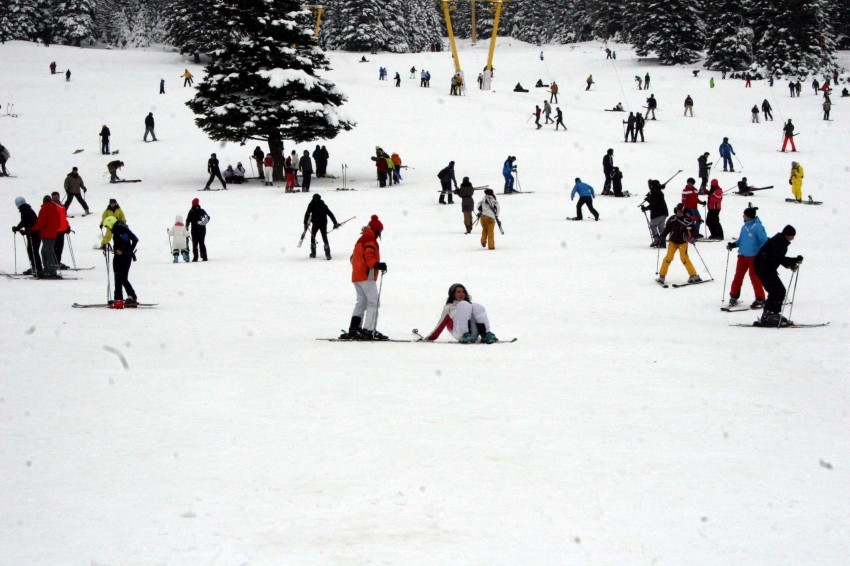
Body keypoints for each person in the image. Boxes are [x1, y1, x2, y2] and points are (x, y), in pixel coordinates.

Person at [340, 215, 388, 341]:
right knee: (374, 302)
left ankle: (354, 328)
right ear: (376, 230)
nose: (380, 234)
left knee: (361, 302)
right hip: (367, 276)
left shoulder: (361, 239)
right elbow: (369, 256)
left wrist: (360, 268)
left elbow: (352, 258)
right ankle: (369, 330)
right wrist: (377, 265)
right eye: (380, 231)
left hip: (357, 276)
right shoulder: (369, 240)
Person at [754, 225, 802, 326]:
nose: (792, 238)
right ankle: (768, 315)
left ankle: (773, 313)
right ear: (787, 234)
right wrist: (793, 261)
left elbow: (779, 258)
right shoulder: (779, 241)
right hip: (763, 267)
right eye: (792, 235)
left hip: (767, 267)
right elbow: (779, 258)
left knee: (779, 290)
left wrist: (792, 263)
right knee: (775, 291)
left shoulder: (781, 241)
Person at [423, 283, 499, 344]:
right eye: (458, 292)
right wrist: (430, 338)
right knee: (464, 305)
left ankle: (485, 334)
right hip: (458, 333)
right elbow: (440, 325)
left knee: (476, 306)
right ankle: (464, 335)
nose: (461, 294)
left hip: (473, 334)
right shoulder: (449, 307)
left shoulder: (470, 306)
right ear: (453, 294)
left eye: (463, 292)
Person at [726, 206, 767, 308]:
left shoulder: (758, 227)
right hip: (742, 256)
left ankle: (760, 299)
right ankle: (734, 296)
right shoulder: (744, 227)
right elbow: (741, 241)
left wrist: (763, 253)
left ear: (748, 216)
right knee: (738, 276)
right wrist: (733, 245)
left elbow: (764, 241)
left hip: (754, 257)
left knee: (754, 278)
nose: (743, 216)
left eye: (744, 214)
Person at [656, 203, 701, 285]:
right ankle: (662, 276)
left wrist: (693, 237)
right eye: (677, 211)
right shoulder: (672, 219)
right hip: (672, 242)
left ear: (683, 211)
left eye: (681, 211)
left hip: (683, 243)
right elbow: (666, 230)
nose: (679, 213)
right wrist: (661, 237)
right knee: (668, 257)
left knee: (684, 258)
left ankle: (693, 275)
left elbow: (694, 231)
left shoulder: (688, 220)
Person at [102, 215, 139, 308]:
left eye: (107, 226)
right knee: (122, 277)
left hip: (121, 257)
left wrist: (121, 250)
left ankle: (119, 299)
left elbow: (124, 239)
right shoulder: (124, 228)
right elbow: (135, 239)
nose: (108, 229)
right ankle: (130, 297)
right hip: (127, 257)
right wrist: (130, 250)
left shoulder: (118, 229)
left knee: (119, 277)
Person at [30, 195, 62, 278]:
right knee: (45, 251)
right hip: (53, 234)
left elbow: (41, 223)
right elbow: (58, 222)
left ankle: (51, 271)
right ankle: (48, 269)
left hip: (46, 234)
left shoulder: (44, 209)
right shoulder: (55, 208)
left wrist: (33, 229)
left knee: (47, 252)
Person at [12, 196, 43, 276]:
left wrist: (24, 231)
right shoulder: (26, 210)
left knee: (33, 251)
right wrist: (18, 228)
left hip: (34, 234)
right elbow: (25, 222)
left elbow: (28, 222)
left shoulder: (25, 210)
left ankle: (38, 268)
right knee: (32, 250)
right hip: (33, 233)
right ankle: (35, 267)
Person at [304, 194, 339, 260]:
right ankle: (328, 254)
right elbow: (330, 214)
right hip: (323, 223)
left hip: (316, 223)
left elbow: (307, 213)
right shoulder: (323, 205)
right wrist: (335, 223)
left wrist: (305, 223)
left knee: (313, 237)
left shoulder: (312, 204)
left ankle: (313, 253)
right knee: (324, 237)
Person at [641, 179, 668, 247]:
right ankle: (662, 242)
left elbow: (654, 204)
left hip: (657, 213)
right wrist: (649, 199)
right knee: (661, 228)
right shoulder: (658, 191)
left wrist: (646, 207)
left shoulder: (654, 192)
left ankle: (657, 240)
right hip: (663, 212)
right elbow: (656, 202)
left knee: (652, 225)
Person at [50, 192, 71, 269]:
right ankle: (54, 262)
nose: (55, 198)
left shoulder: (61, 206)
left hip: (62, 230)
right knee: (55, 247)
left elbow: (64, 218)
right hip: (55, 230)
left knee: (60, 247)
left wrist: (68, 226)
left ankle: (58, 262)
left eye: (56, 197)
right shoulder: (52, 206)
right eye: (54, 197)